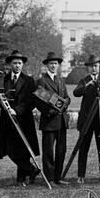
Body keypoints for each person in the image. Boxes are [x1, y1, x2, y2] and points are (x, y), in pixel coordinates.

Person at [0, 50, 41, 187]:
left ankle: (21, 179)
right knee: (9, 149)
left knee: (24, 150)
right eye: (14, 63)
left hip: (24, 120)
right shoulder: (4, 79)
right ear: (10, 64)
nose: (17, 65)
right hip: (7, 120)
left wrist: (16, 110)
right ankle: (32, 170)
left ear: (23, 65)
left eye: (19, 63)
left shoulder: (28, 81)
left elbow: (31, 100)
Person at [73, 54, 100, 184]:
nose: (94, 69)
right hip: (86, 119)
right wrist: (88, 85)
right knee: (83, 147)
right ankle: (81, 175)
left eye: (96, 66)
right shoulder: (85, 80)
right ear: (88, 69)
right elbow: (76, 93)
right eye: (91, 67)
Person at [35, 52, 71, 186]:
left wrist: (65, 103)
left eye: (55, 64)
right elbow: (39, 101)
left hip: (62, 121)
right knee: (49, 151)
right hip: (49, 121)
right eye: (51, 63)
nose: (53, 66)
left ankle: (58, 177)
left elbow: (67, 97)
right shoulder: (41, 81)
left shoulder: (61, 80)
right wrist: (51, 110)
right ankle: (49, 179)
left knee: (61, 150)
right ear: (46, 65)